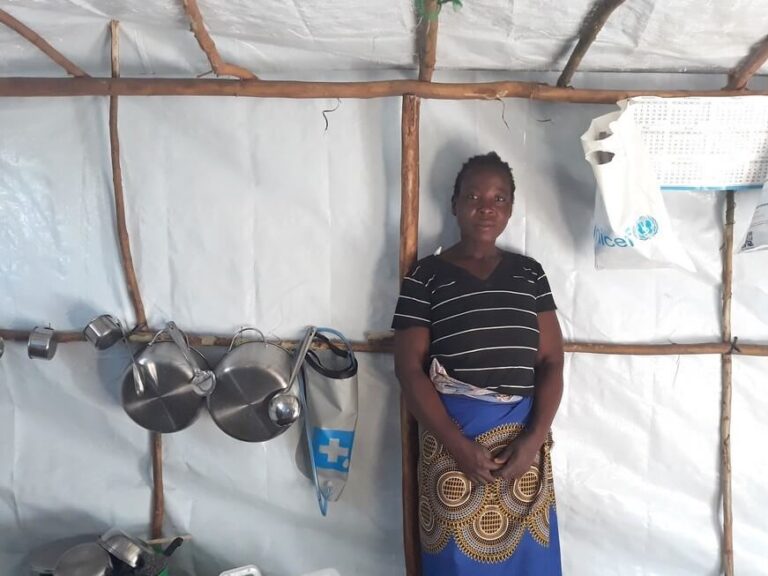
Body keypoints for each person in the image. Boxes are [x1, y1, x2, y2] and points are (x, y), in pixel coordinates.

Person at [392, 152, 564, 575]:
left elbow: (552, 361)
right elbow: (409, 370)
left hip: (523, 449)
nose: (486, 207)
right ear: (454, 204)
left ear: (510, 207)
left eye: (499, 197)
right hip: (452, 446)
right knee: (457, 563)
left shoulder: (529, 274)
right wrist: (458, 446)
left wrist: (532, 441)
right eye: (473, 196)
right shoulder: (425, 277)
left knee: (530, 563)